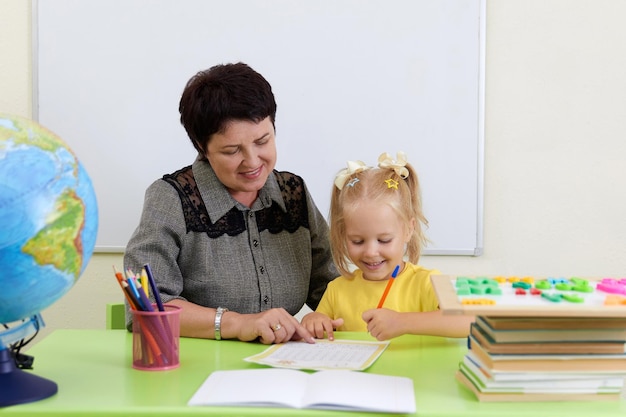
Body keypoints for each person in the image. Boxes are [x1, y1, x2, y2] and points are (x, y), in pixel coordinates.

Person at [124, 62, 338, 344]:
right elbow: (146, 307)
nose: (252, 161)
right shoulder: (171, 198)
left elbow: (332, 287)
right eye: (232, 150)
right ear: (202, 147)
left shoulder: (293, 192)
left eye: (263, 141)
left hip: (283, 366)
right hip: (199, 367)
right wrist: (237, 323)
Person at [301, 152, 474, 341]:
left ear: (409, 230)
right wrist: (313, 319)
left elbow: (472, 320)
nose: (371, 252)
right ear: (343, 235)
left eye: (384, 240)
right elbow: (320, 329)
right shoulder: (336, 290)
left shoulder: (427, 282)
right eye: (357, 241)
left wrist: (403, 322)